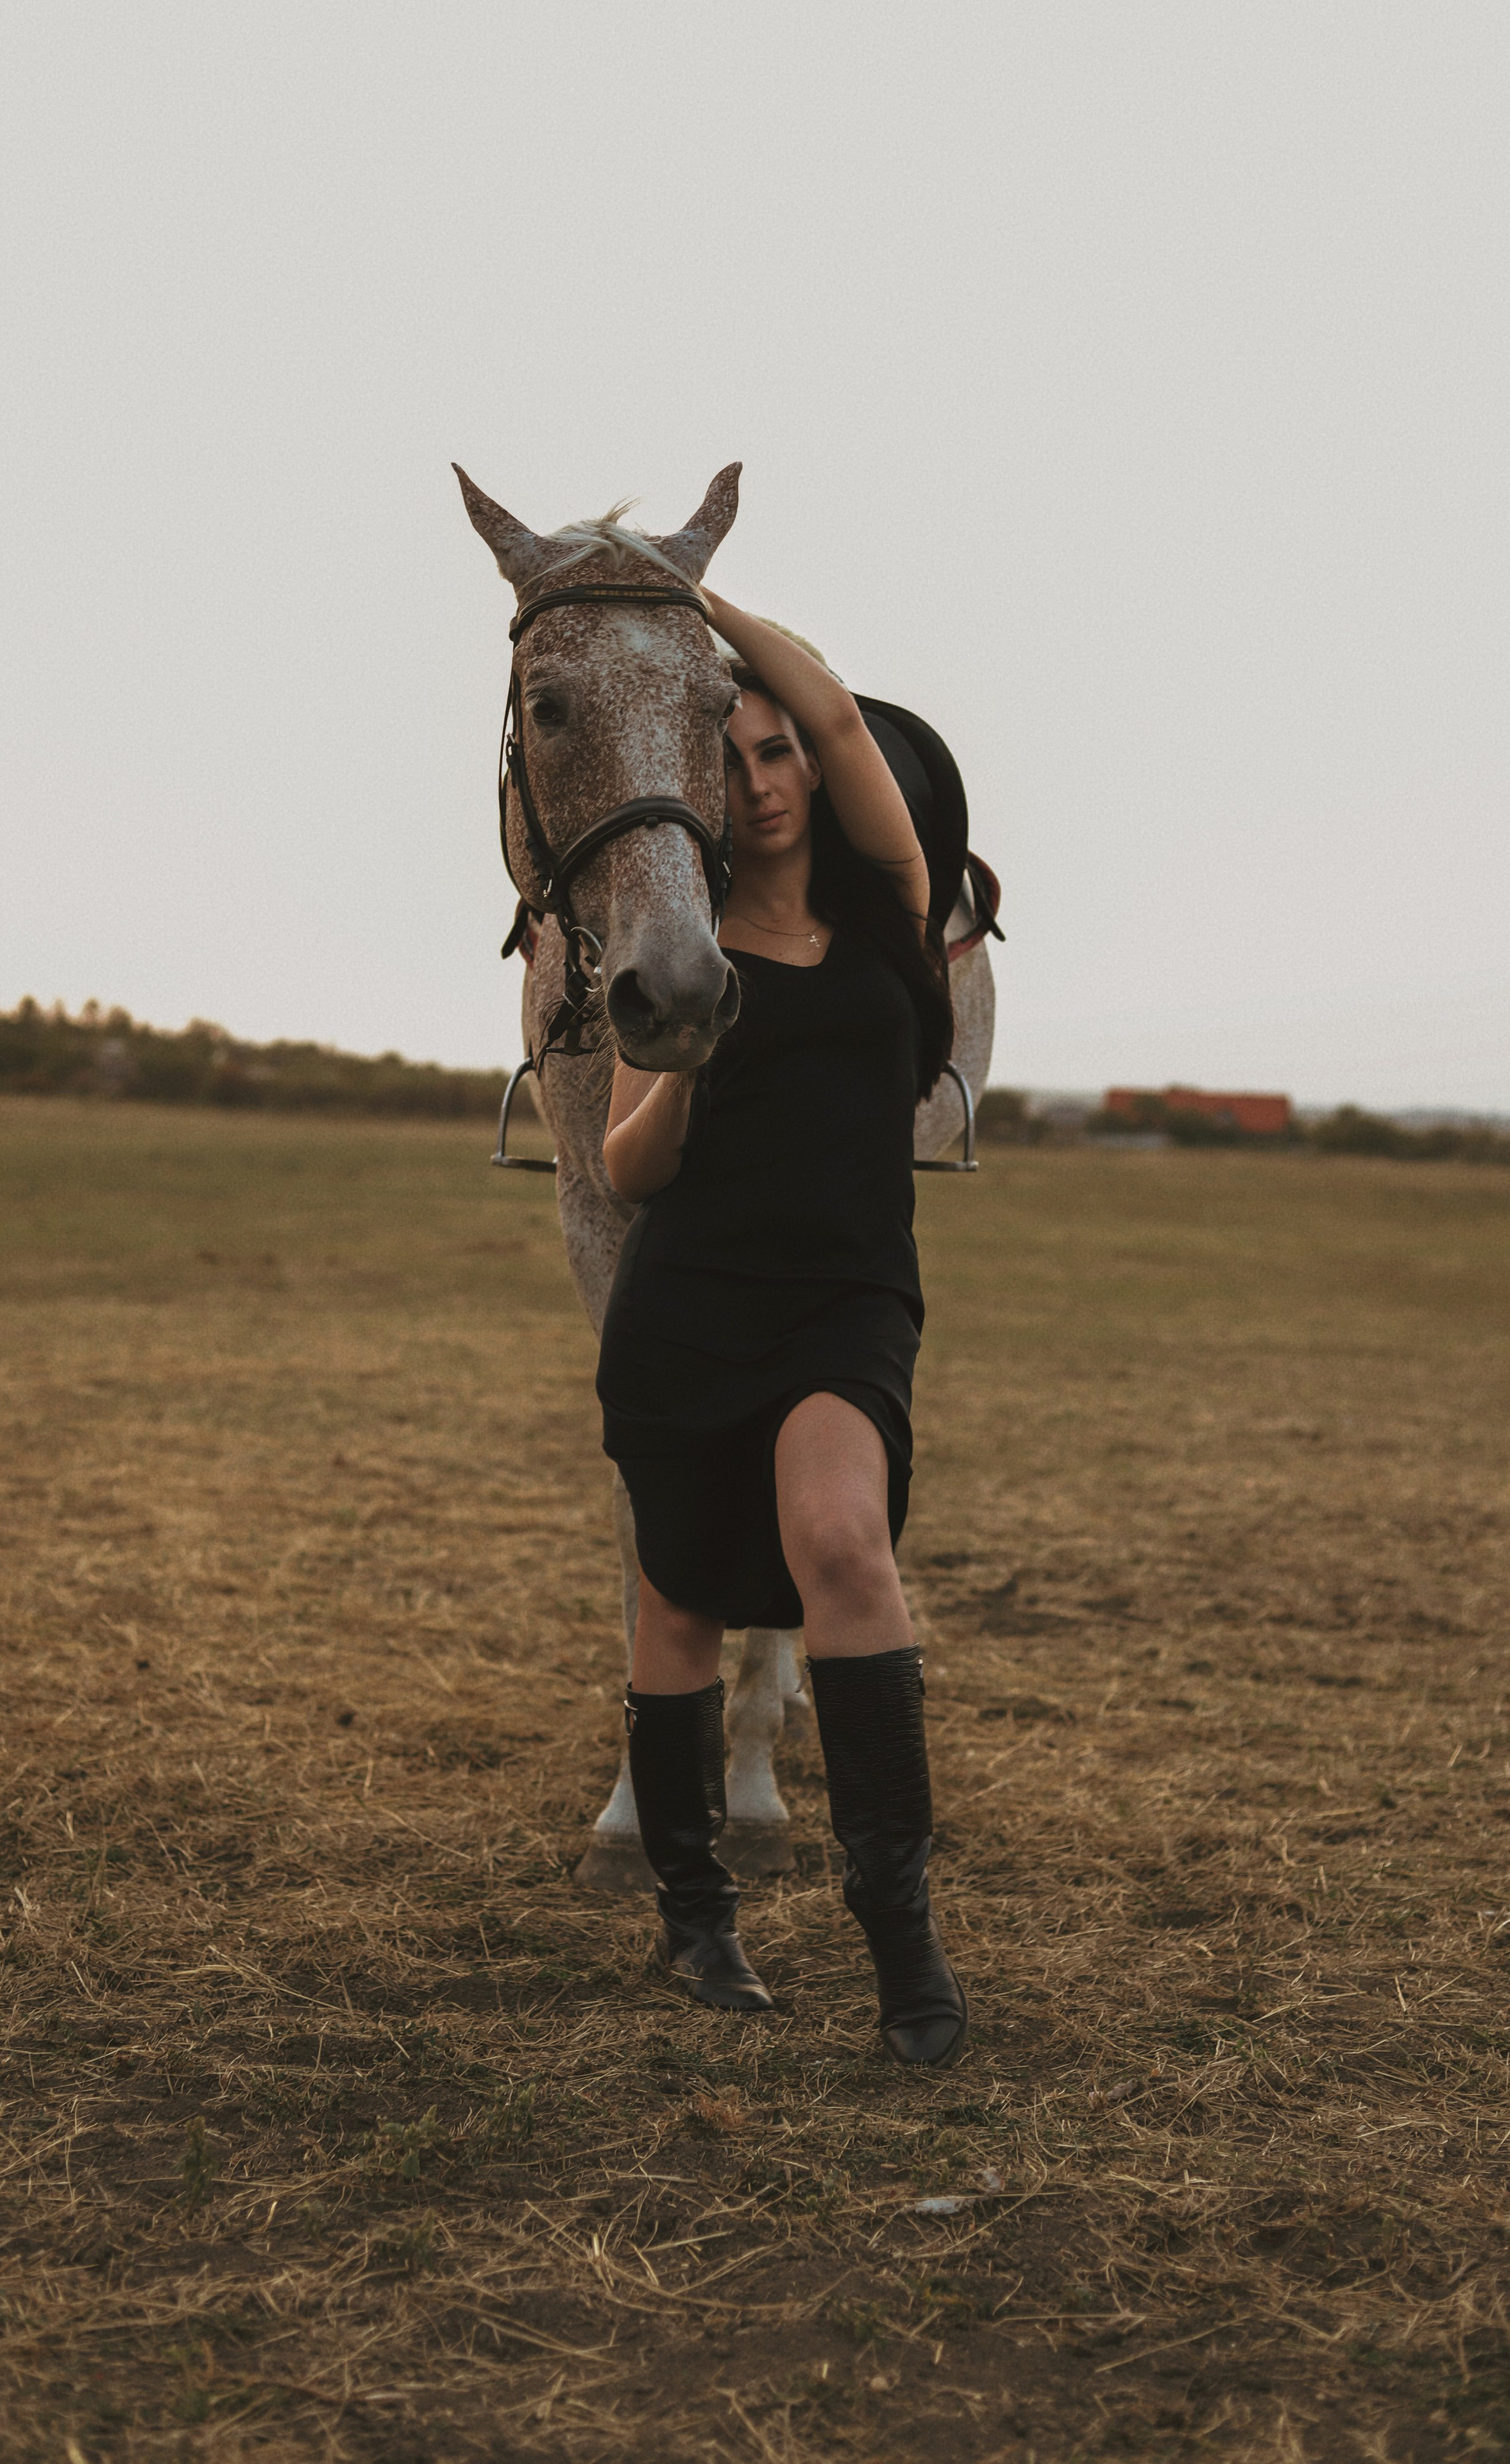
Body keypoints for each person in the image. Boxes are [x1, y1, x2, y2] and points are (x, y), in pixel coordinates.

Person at [595, 590, 969, 2069]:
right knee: (675, 1604)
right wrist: (684, 1059)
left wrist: (692, 607)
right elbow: (629, 1172)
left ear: (811, 766)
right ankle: (697, 1919)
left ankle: (901, 1935)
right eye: (725, 759)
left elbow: (821, 701)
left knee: (840, 1546)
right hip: (690, 1309)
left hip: (842, 1301)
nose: (753, 782)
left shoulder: (888, 901)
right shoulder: (680, 944)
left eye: (771, 755)